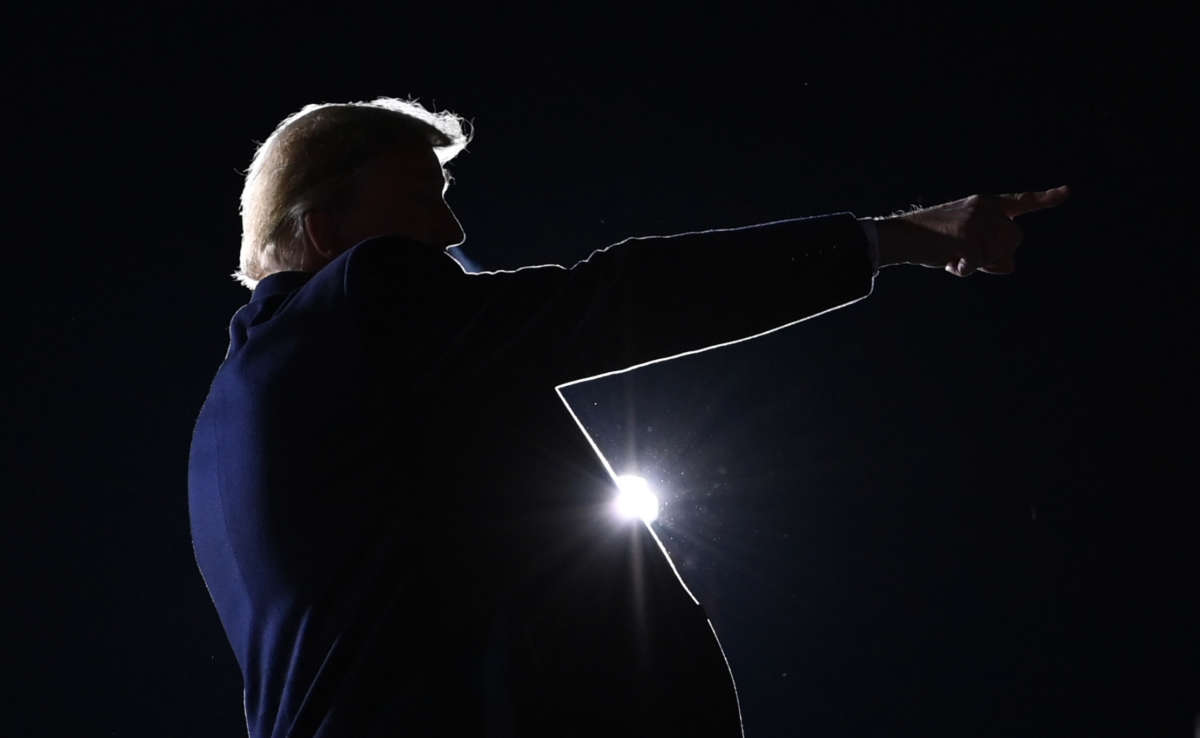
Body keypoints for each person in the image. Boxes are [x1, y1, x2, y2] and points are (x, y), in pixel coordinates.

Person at [187, 97, 1069, 738]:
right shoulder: (366, 299)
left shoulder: (225, 421)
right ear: (326, 230)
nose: (451, 229)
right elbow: (619, 297)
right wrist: (902, 236)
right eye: (420, 198)